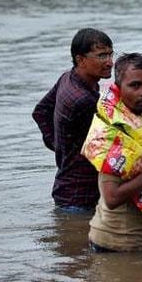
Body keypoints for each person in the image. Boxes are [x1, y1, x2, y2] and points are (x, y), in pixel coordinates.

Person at [86, 53, 142, 252]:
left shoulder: (136, 122)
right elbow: (112, 197)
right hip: (114, 245)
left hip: (127, 242)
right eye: (135, 86)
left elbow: (133, 174)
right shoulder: (116, 132)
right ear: (118, 89)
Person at [32, 28, 114, 212]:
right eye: (101, 56)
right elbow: (107, 150)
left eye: (110, 54)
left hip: (66, 189)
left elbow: (40, 111)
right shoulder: (85, 100)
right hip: (82, 198)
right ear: (81, 60)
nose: (110, 62)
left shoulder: (67, 78)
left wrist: (61, 147)